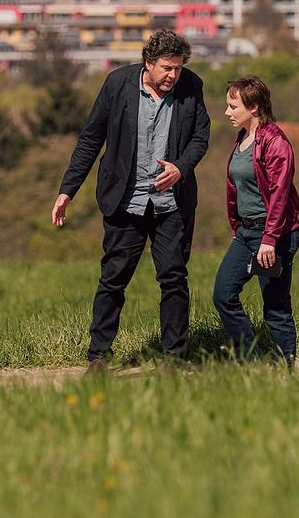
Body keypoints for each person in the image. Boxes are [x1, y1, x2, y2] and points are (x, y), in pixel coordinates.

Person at [51, 29, 210, 371]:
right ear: (148, 63)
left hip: (172, 203)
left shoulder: (191, 87)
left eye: (178, 68)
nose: (173, 75)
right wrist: (68, 190)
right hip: (126, 200)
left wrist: (181, 168)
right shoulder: (117, 85)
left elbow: (201, 136)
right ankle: (99, 356)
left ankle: (173, 358)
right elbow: (91, 139)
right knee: (113, 278)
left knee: (173, 278)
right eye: (167, 68)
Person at [213, 76, 299, 364]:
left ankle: (283, 368)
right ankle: (251, 360)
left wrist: (269, 240)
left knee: (275, 306)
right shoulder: (242, 139)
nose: (227, 112)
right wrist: (237, 227)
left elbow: (279, 194)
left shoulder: (275, 142)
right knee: (223, 295)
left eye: (232, 106)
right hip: (247, 232)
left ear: (253, 107)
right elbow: (235, 189)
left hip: (275, 235)